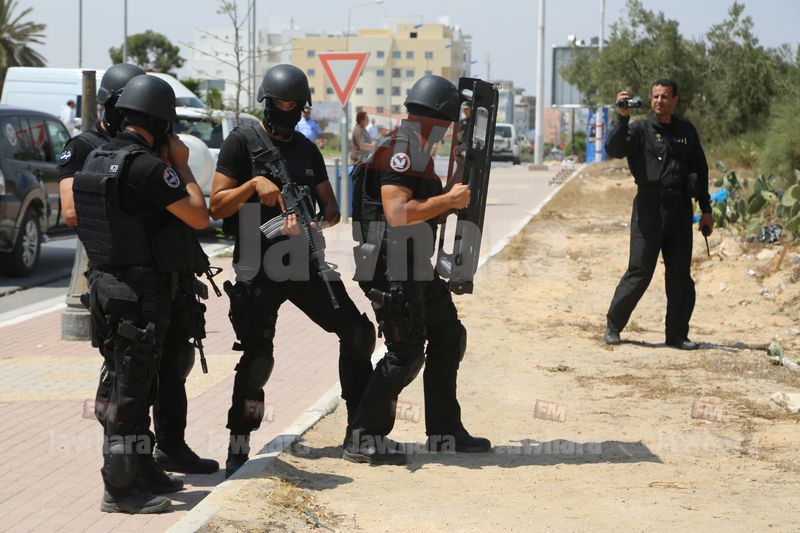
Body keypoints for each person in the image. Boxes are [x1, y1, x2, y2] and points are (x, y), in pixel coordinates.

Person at [209, 64, 376, 477]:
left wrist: (312, 223)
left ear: (303, 109)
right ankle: (238, 445)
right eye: (279, 104)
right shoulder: (241, 143)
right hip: (257, 263)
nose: (286, 111)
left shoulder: (306, 150)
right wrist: (252, 186)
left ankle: (358, 429)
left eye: (293, 106)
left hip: (302, 262)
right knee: (257, 359)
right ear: (267, 104)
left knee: (358, 333)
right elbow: (216, 206)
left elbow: (333, 210)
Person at [58, 65, 219, 478]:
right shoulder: (136, 162)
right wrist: (179, 166)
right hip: (135, 287)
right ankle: (122, 484)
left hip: (131, 282)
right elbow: (198, 215)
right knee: (129, 388)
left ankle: (147, 467)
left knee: (146, 377)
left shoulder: (108, 157)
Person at [348, 74, 492, 465]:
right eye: (449, 122)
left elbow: (424, 211)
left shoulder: (414, 148)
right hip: (391, 266)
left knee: (449, 335)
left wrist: (451, 192)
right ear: (439, 118)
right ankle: (362, 437)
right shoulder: (403, 149)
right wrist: (449, 200)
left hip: (412, 262)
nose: (450, 130)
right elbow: (398, 213)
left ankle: (445, 432)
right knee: (406, 352)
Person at [603, 79, 713, 350]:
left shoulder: (686, 130)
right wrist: (622, 118)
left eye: (664, 97)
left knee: (679, 275)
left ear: (675, 100)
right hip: (648, 207)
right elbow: (614, 149)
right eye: (655, 97)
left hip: (680, 208)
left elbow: (700, 170)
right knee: (639, 271)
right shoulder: (639, 129)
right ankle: (613, 326)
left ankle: (676, 335)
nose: (659, 101)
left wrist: (706, 210)